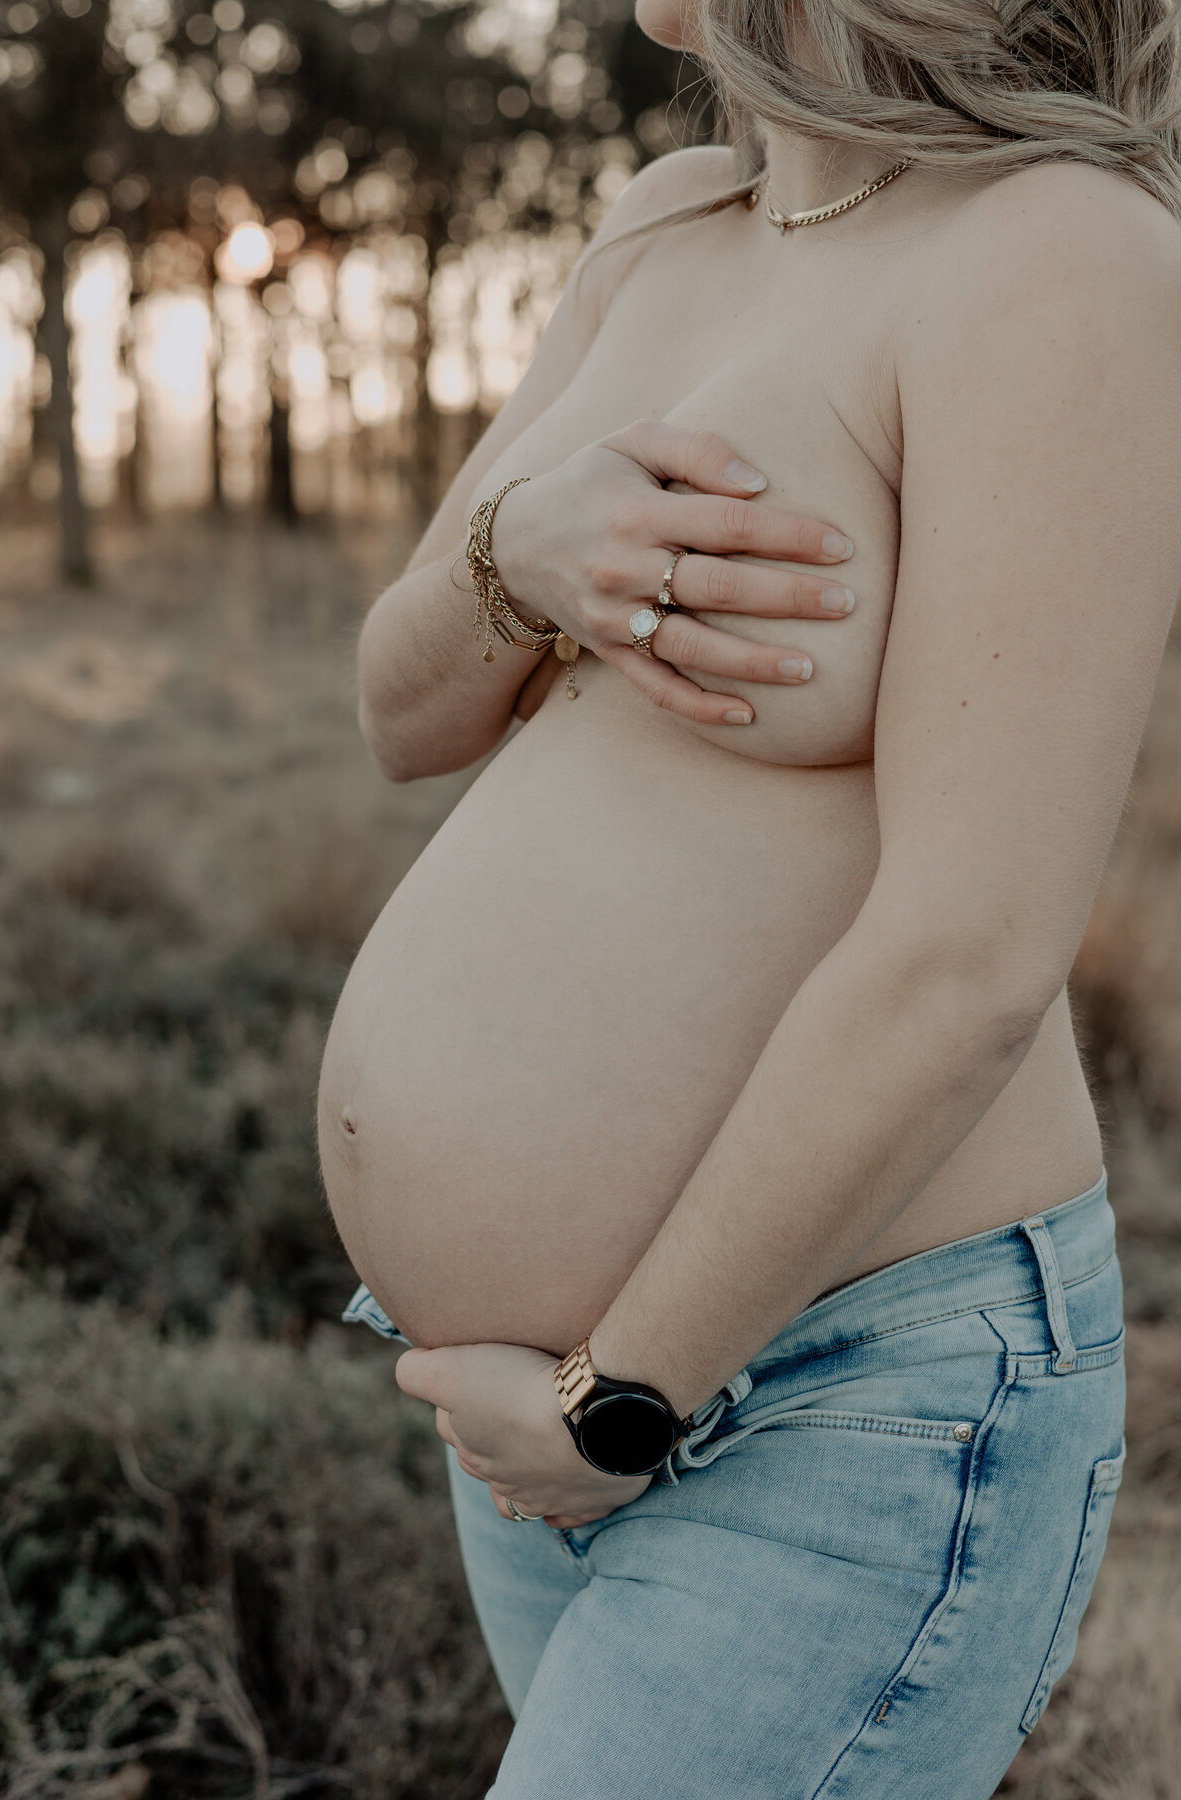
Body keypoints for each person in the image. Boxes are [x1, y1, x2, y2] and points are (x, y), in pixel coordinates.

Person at [317, 1, 1181, 1792]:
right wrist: (518, 548)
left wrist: (621, 1396)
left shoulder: (1064, 252)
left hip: (833, 1396)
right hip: (552, 1400)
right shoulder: (664, 225)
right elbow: (401, 714)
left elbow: (972, 957)